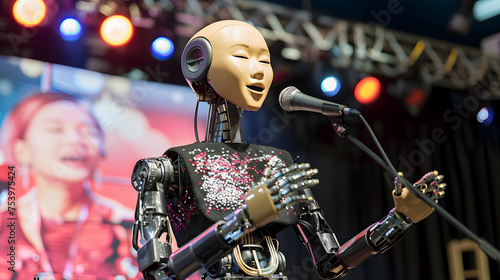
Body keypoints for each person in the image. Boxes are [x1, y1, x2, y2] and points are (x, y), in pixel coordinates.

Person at [131, 20, 446, 280]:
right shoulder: (166, 168)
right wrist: (242, 221)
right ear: (199, 64)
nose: (258, 70)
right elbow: (159, 274)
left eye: (264, 61)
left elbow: (330, 263)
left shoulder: (277, 164)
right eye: (242, 57)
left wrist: (398, 220)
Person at [0, 92, 140, 280]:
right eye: (55, 129)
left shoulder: (127, 227)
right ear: (22, 150)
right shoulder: (4, 224)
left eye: (89, 132)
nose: (76, 140)